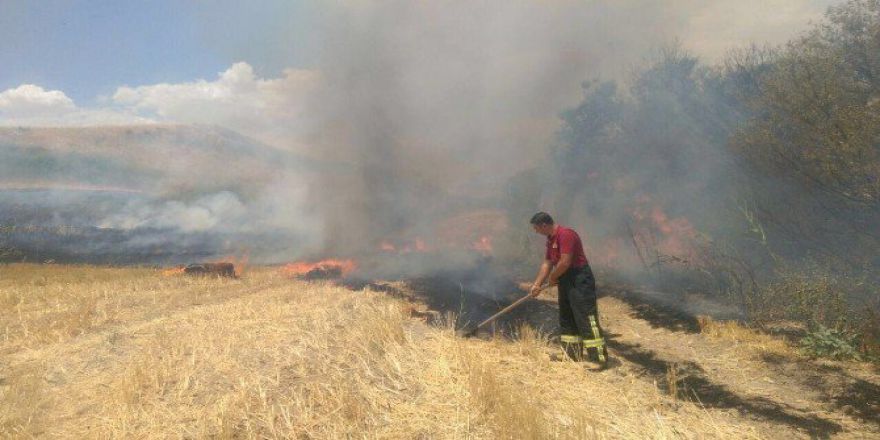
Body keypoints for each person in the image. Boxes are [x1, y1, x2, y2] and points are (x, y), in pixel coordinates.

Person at [529, 212, 606, 363]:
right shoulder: (550, 240)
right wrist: (537, 284)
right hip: (564, 278)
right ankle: (572, 354)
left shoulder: (566, 234)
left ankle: (599, 358)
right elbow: (548, 263)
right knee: (567, 316)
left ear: (544, 225)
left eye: (536, 228)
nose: (536, 231)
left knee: (585, 317)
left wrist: (553, 277)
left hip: (579, 278)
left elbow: (565, 262)